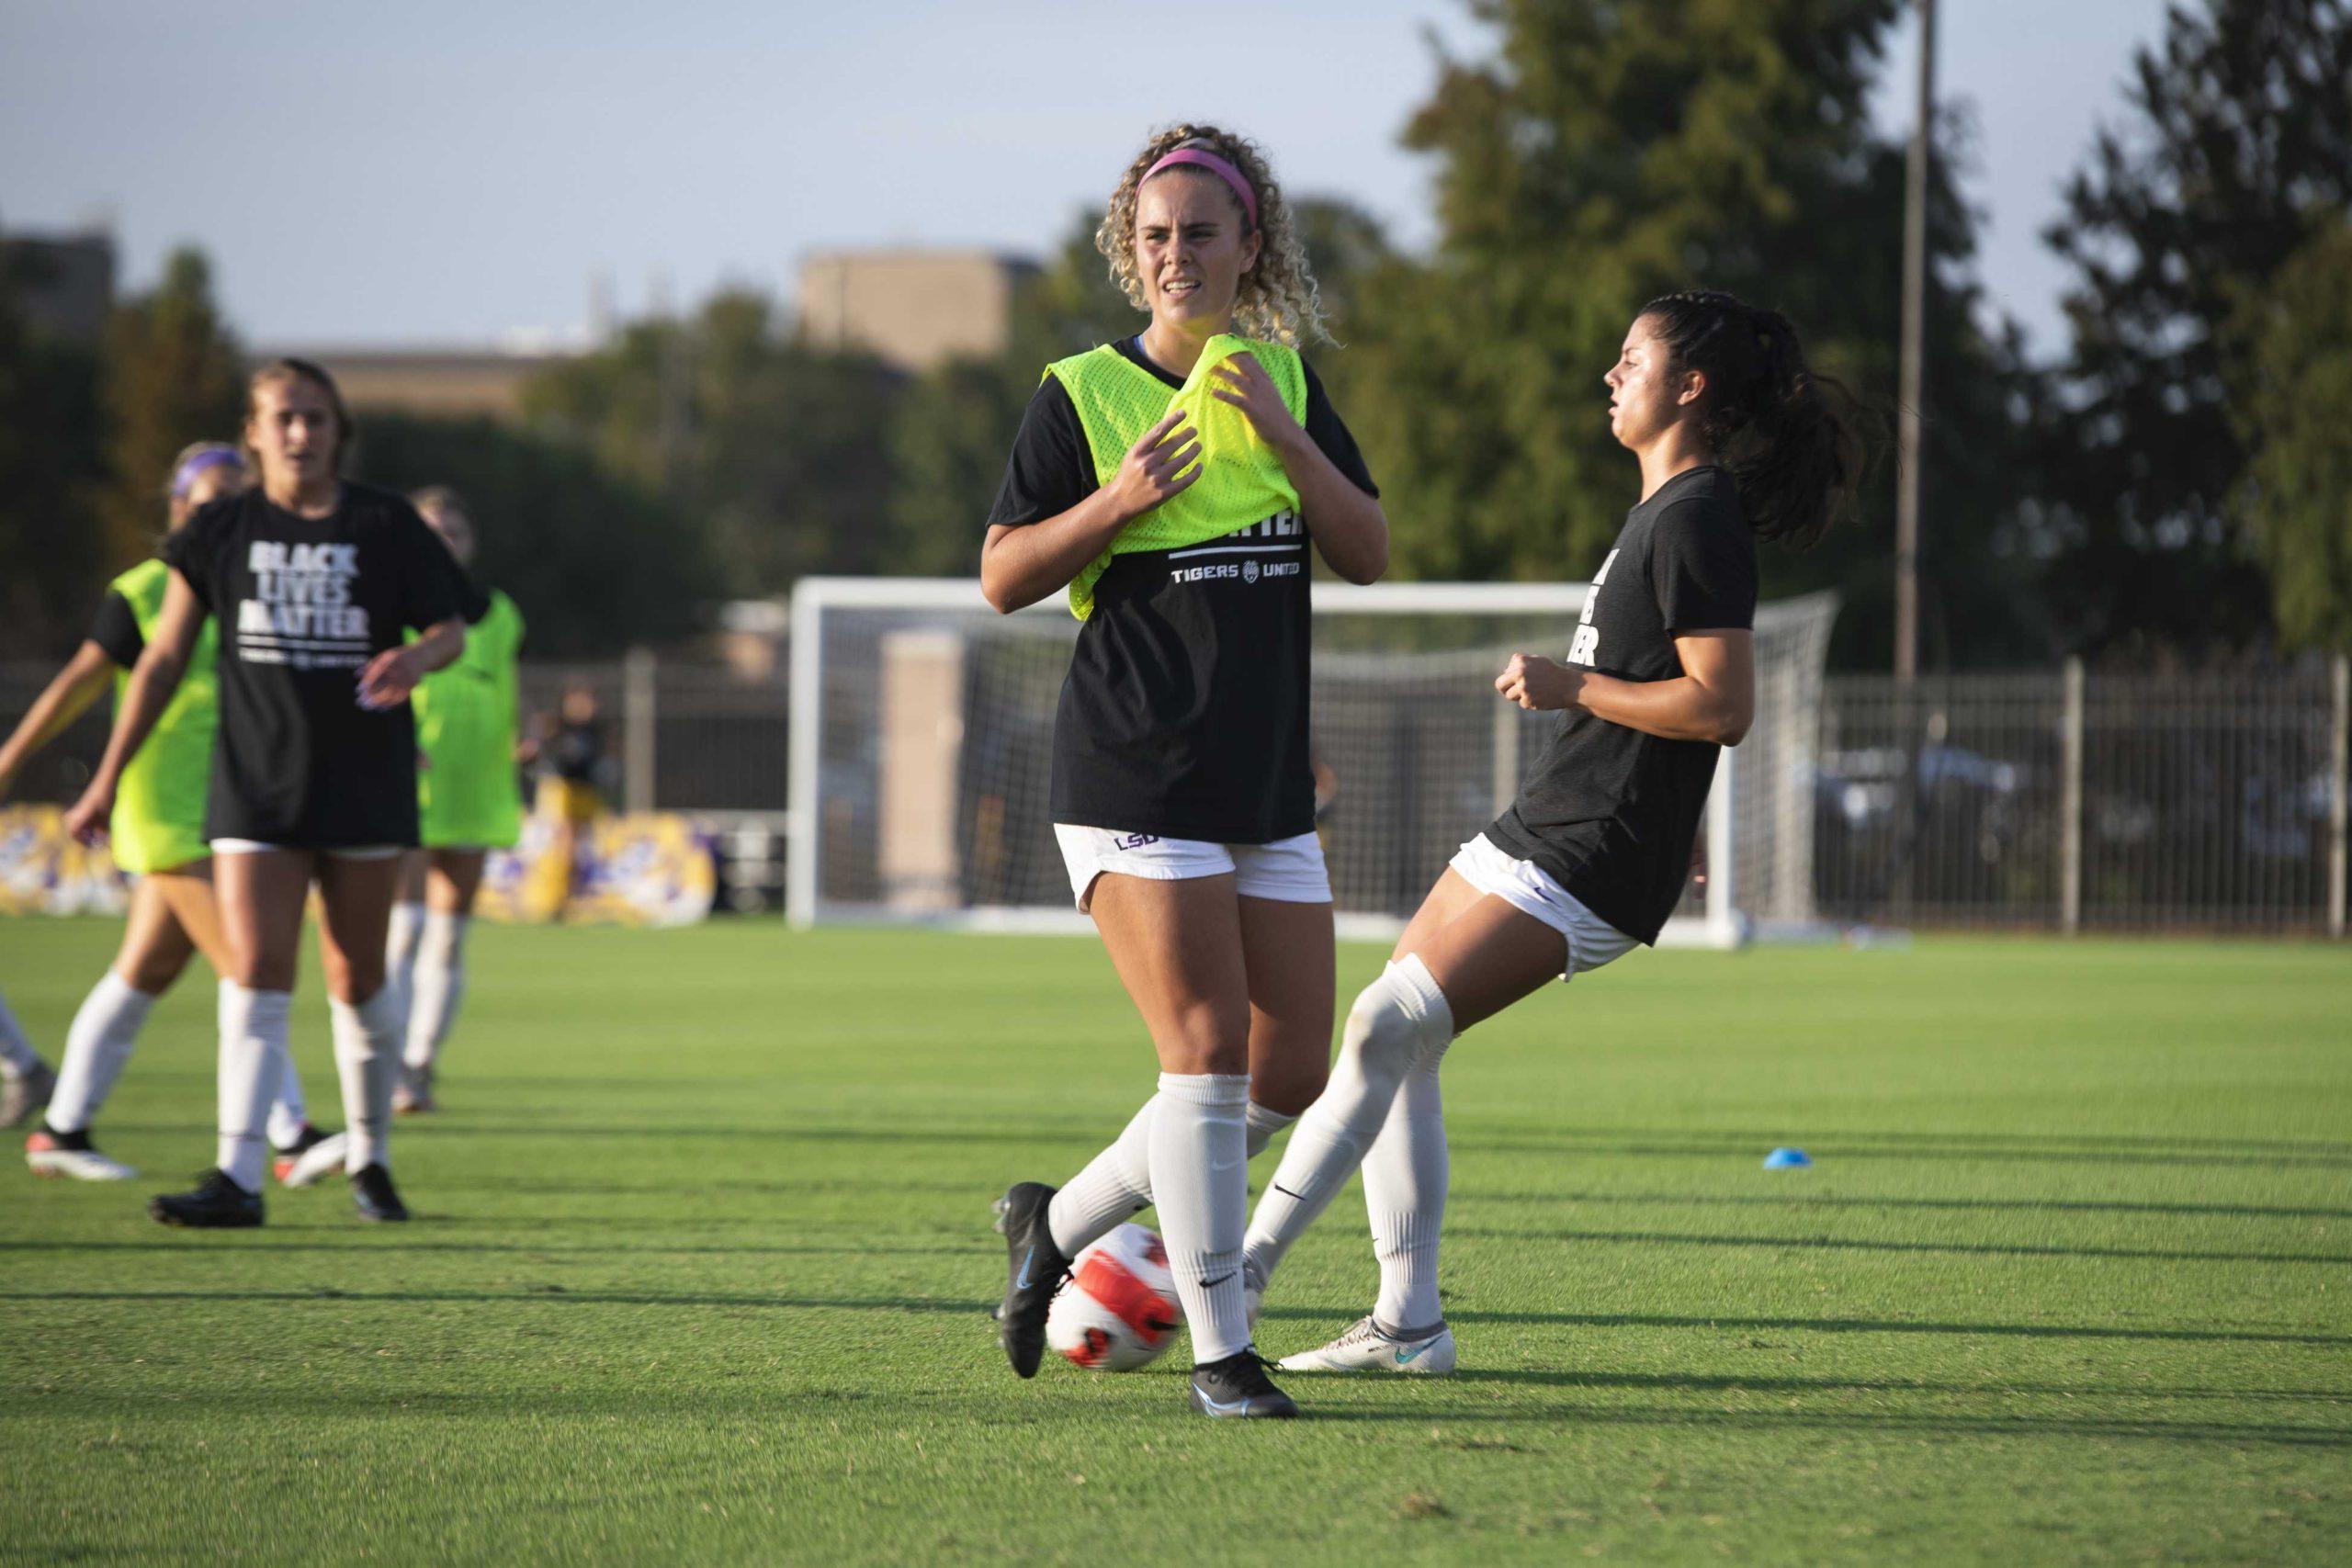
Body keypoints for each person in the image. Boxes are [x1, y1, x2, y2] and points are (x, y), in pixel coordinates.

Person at [1239, 290, 1866, 1376]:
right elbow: (1680, 705)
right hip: (1553, 822)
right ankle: (1408, 1324)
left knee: (1385, 1029)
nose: (1609, 375)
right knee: (1398, 1040)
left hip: (1594, 849)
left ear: (1691, 387)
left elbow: (1722, 705)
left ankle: (1230, 1280)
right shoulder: (1662, 509)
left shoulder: (1697, 515)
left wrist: (1572, 686)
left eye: (1631, 358)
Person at [980, 124, 1388, 1419]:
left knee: (1291, 1071)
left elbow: (1370, 550)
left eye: (1202, 231)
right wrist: (1117, 502)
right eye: (1155, 234)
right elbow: (1000, 576)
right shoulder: (1082, 393)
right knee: (1206, 1058)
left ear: (1249, 244)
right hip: (1131, 777)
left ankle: (1058, 1220)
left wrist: (1286, 429)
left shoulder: (1283, 378)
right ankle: (1225, 1353)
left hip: (1262, 785)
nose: (1177, 253)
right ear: (1129, 249)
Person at [63, 359, 479, 1227]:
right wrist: (107, 775)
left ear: (339, 431)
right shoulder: (221, 530)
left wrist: (416, 657)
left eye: (317, 418)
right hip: (255, 788)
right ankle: (239, 1177)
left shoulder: (385, 523)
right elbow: (164, 658)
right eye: (284, 418)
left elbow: (451, 626)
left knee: (357, 974)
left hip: (364, 784)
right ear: (253, 432)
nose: (300, 433)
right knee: (254, 972)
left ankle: (371, 1158)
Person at [0, 444, 342, 1181]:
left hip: (234, 799)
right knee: (248, 967)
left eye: (235, 496)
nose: (221, 509)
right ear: (178, 507)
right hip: (163, 801)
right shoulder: (147, 589)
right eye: (208, 496)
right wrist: (10, 757)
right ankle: (291, 1134)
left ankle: (61, 1128)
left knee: (140, 974)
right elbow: (78, 683)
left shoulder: (256, 583)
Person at [381, 486, 524, 1114]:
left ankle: (420, 1064)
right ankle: (385, 1064)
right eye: (431, 531)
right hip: (411, 784)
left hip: (477, 788)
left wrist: (525, 737)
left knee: (448, 937)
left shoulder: (499, 614)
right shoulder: (390, 606)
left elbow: (502, 692)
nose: (444, 542)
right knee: (402, 932)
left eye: (455, 531)